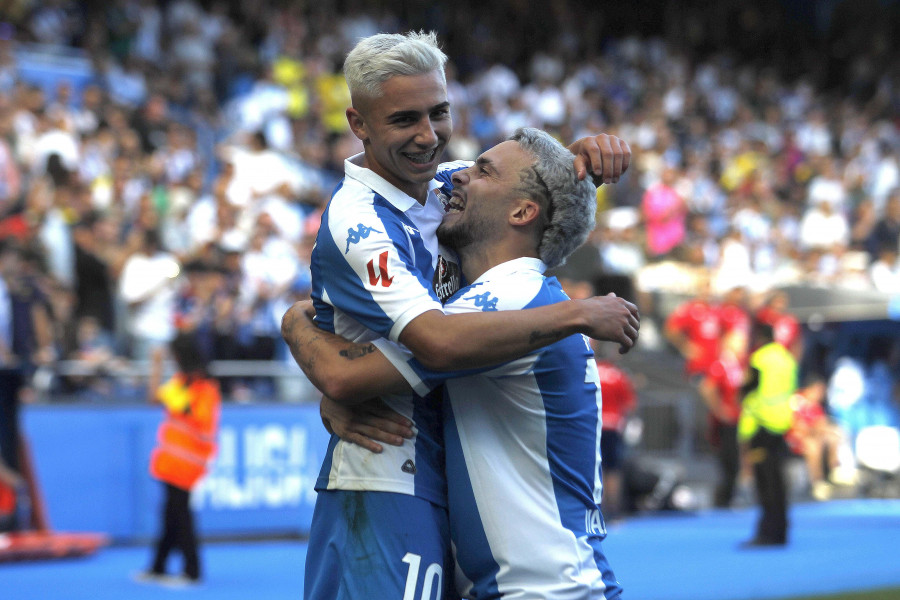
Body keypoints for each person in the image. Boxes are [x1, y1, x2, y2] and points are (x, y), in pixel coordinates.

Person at [294, 31, 636, 600]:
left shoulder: (445, 199)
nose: (433, 144)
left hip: (453, 506)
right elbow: (425, 345)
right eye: (405, 120)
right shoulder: (362, 222)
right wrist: (298, 324)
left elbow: (526, 195)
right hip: (387, 474)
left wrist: (574, 161)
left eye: (440, 113)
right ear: (360, 125)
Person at [136, 332, 221, 586]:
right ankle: (158, 567)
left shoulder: (205, 389)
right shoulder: (180, 382)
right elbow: (154, 398)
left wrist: (179, 401)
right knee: (171, 515)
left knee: (180, 516)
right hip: (171, 462)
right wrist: (156, 366)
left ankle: (192, 571)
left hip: (189, 463)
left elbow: (197, 417)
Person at [738, 322, 797, 547]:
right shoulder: (787, 359)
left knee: (765, 483)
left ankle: (767, 532)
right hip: (781, 423)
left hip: (761, 425)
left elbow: (748, 389)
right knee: (779, 482)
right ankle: (781, 530)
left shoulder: (760, 358)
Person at [698, 330, 746, 508]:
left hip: (736, 418)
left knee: (735, 459)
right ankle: (724, 498)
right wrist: (719, 410)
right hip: (726, 421)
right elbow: (707, 388)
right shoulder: (721, 365)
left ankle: (730, 495)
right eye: (739, 343)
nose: (742, 346)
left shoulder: (736, 366)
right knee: (728, 459)